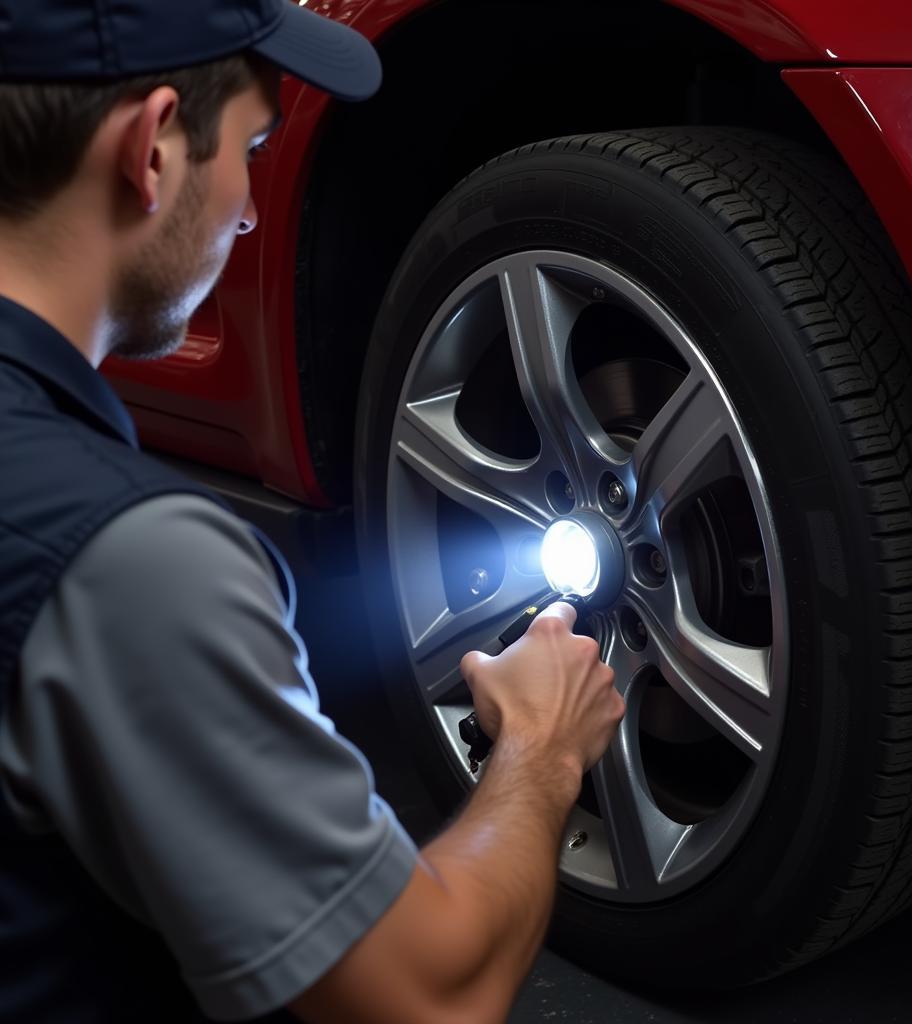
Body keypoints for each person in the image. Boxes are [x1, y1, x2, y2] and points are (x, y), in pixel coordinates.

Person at [0, 2, 625, 1022]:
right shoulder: (130, 563)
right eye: (249, 146)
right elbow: (431, 996)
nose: (247, 207)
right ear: (150, 148)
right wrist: (543, 745)